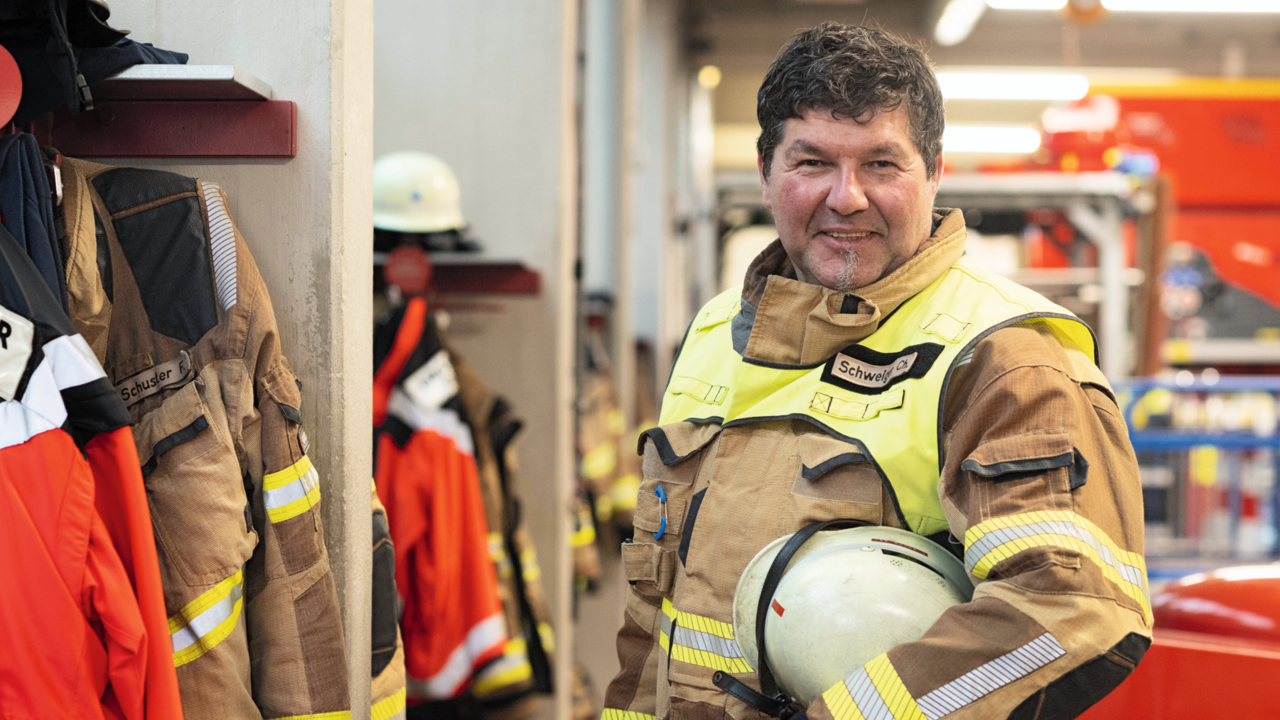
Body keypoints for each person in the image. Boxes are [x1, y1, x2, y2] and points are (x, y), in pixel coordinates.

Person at [601, 21, 1149, 720]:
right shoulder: (716, 334)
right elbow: (655, 611)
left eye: (881, 165)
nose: (847, 196)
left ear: (935, 172)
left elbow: (1073, 607)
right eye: (812, 163)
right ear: (767, 173)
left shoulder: (1003, 359)